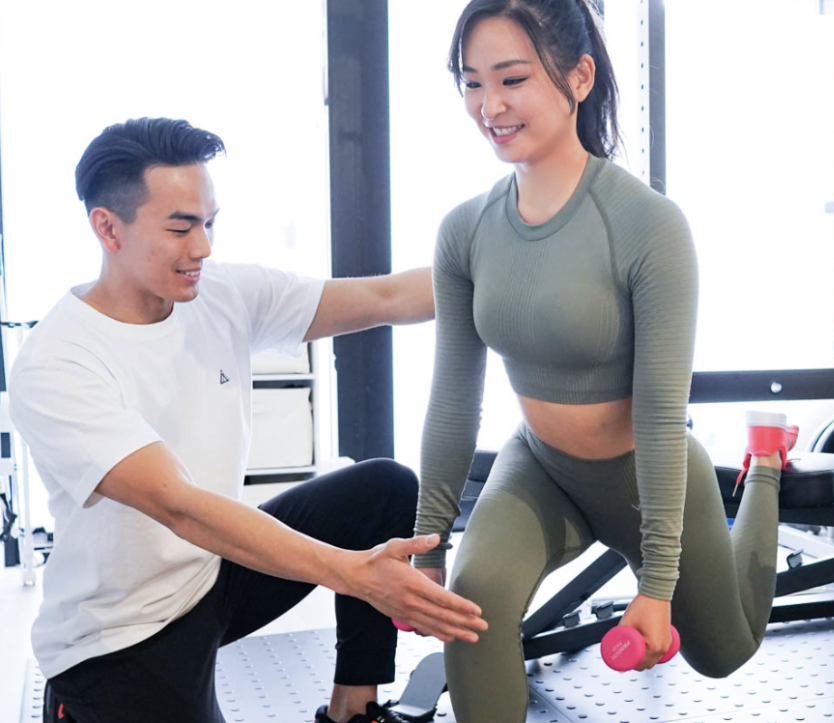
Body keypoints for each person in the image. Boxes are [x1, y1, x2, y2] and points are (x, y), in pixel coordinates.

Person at [9, 118, 487, 723]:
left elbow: (383, 299)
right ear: (108, 227)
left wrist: (508, 273)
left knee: (382, 489)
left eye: (209, 223)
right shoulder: (59, 361)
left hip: (211, 578)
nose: (203, 247)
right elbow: (179, 507)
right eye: (181, 227)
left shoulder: (220, 293)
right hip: (118, 638)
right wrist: (355, 576)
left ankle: (352, 708)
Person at [409, 1, 796, 721]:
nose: (488, 106)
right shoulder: (464, 230)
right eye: (470, 83)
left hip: (646, 470)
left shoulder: (647, 224)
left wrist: (655, 582)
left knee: (725, 651)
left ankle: (766, 464)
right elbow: (454, 398)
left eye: (512, 78)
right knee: (475, 596)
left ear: (578, 76)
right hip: (541, 466)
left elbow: (656, 408)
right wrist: (428, 545)